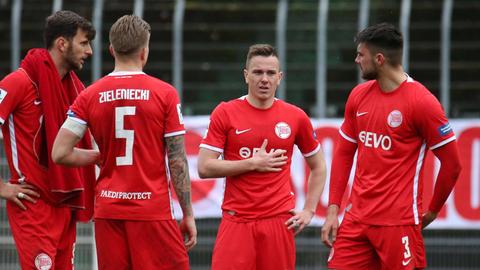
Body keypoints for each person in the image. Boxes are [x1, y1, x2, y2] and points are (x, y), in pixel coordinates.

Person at [51, 15, 196, 270]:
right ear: (144, 51)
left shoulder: (89, 95)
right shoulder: (164, 93)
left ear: (111, 50)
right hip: (152, 211)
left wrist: (103, 155)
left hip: (108, 210)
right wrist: (188, 214)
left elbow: (60, 153)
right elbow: (177, 159)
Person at [321, 23, 462, 269]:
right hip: (356, 220)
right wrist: (333, 209)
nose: (356, 60)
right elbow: (344, 153)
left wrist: (433, 210)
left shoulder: (422, 103)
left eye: (360, 55)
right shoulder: (358, 96)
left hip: (398, 223)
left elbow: (453, 164)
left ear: (379, 59)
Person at [197, 43, 327, 270]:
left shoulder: (295, 116)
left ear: (280, 77)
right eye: (257, 72)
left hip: (278, 221)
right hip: (236, 220)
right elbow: (204, 167)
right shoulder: (225, 112)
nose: (264, 79)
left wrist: (309, 210)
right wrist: (252, 163)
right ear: (246, 76)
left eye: (270, 73)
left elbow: (319, 166)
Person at [0, 10, 96, 270]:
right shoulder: (18, 82)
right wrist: (2, 187)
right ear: (62, 44)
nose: (89, 51)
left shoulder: (78, 90)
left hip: (65, 203)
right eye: (84, 43)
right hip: (33, 203)